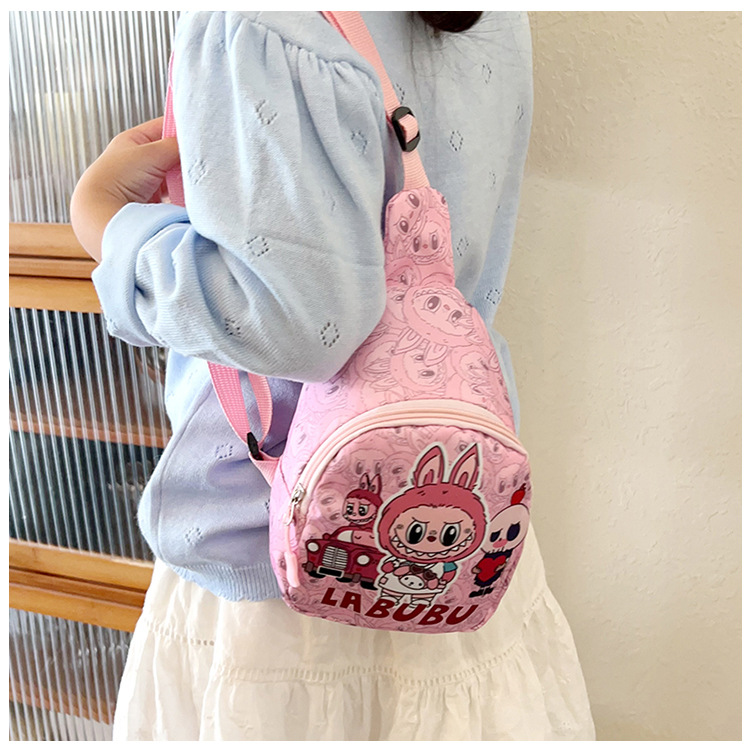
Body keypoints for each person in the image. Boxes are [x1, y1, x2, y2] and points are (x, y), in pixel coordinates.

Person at [71, 11, 595, 741]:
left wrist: (104, 222)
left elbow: (296, 326)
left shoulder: (255, 23)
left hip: (285, 558)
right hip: (462, 530)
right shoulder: (494, 17)